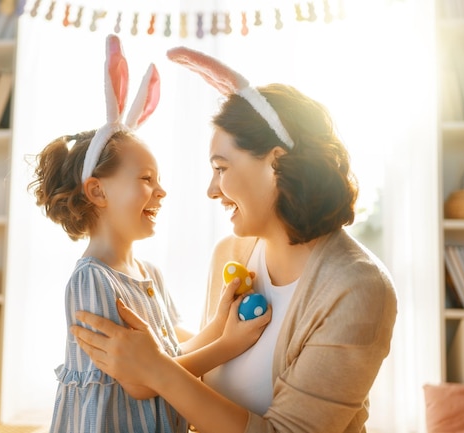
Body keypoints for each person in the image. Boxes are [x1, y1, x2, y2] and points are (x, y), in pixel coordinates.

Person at [72, 45, 398, 433]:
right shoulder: (232, 254)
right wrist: (157, 357)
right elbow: (209, 385)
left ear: (276, 163)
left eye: (221, 168)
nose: (212, 189)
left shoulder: (357, 289)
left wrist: (157, 369)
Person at [29, 36, 270, 433]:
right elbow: (142, 382)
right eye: (146, 179)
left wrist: (222, 323)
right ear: (97, 190)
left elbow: (171, 355)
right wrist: (229, 345)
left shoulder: (149, 274)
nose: (161, 191)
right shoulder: (92, 279)